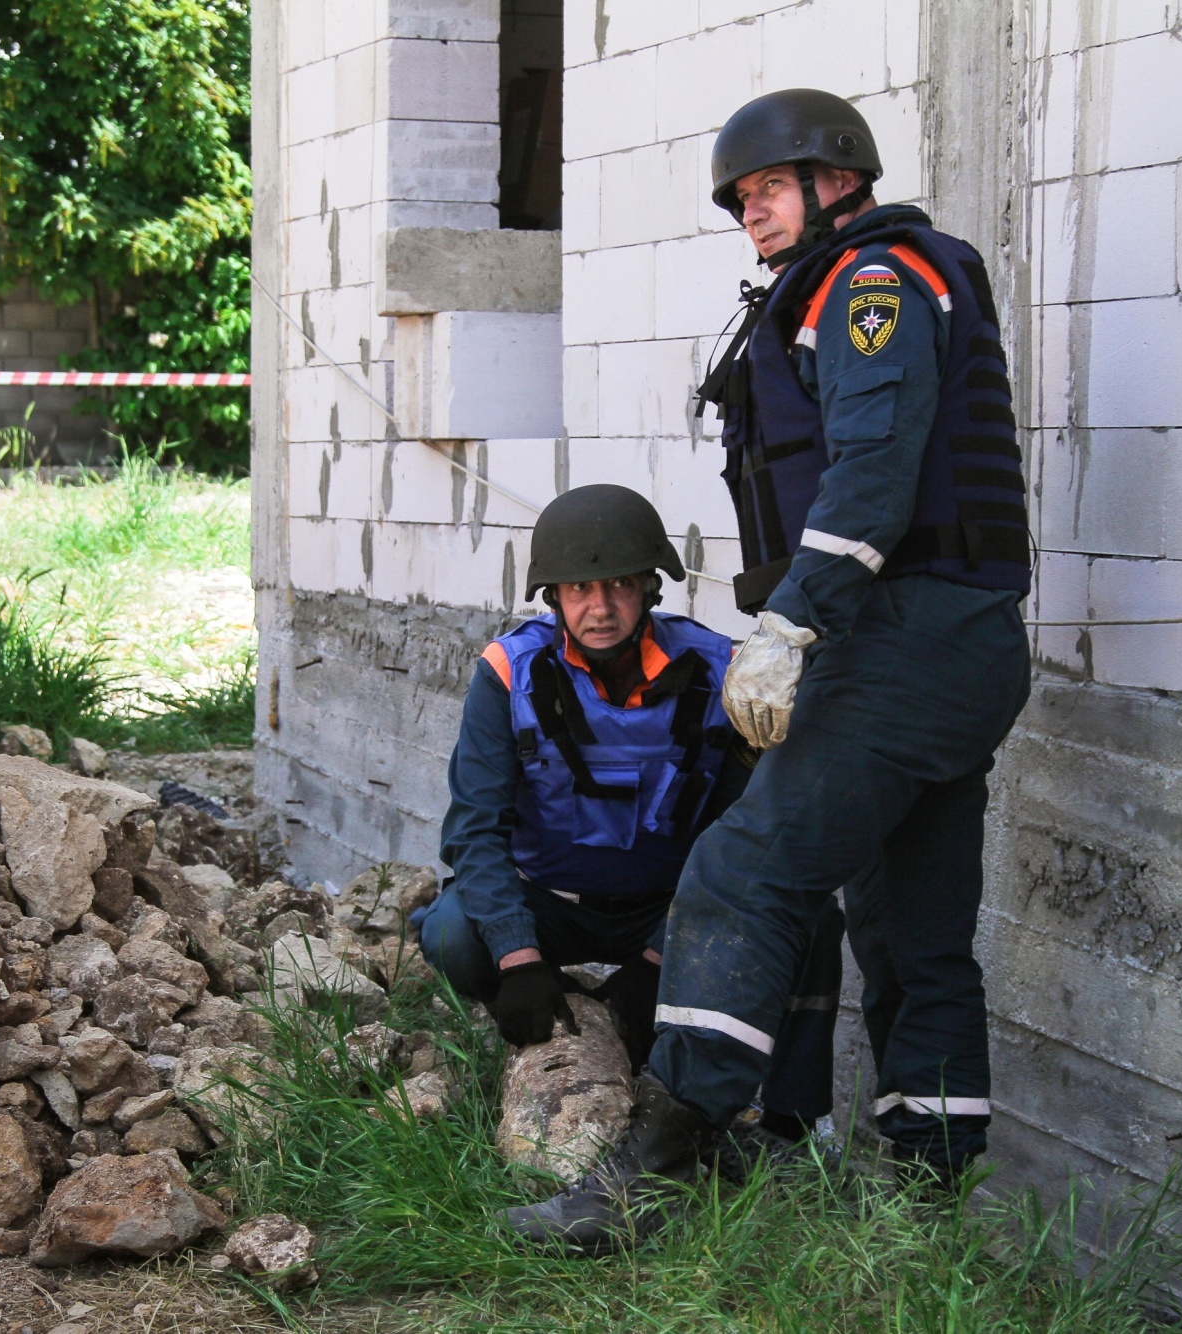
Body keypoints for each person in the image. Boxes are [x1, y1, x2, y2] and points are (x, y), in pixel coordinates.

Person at [504, 88, 1032, 1251]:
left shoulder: (871, 284)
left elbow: (874, 471)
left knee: (740, 871)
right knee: (911, 932)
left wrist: (792, 620)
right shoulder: (861, 280)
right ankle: (927, 1206)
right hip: (954, 643)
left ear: (836, 179)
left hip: (901, 640)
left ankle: (647, 1178)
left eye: (767, 187)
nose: (750, 210)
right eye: (739, 197)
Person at [414, 483, 841, 1142]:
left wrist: (656, 963)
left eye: (619, 585)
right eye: (580, 589)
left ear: (649, 587)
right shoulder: (506, 673)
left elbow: (742, 834)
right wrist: (519, 960)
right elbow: (475, 829)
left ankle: (791, 1124)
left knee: (808, 915)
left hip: (672, 906)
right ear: (553, 597)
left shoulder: (722, 674)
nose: (601, 607)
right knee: (450, 933)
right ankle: (556, 1009)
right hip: (550, 902)